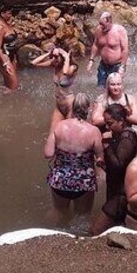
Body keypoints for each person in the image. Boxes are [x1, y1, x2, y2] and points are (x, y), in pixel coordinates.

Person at [44, 93, 103, 224]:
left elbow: (48, 153)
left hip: (60, 179)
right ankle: (78, 241)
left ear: (73, 107)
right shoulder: (94, 131)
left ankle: (53, 235)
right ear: (89, 109)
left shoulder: (59, 126)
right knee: (82, 217)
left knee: (58, 212)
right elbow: (100, 158)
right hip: (83, 182)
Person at [91, 103, 137, 234]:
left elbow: (118, 165)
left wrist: (106, 145)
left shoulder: (127, 137)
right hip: (115, 189)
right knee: (115, 229)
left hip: (121, 194)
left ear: (121, 121)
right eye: (106, 123)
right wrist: (104, 165)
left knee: (96, 231)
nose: (107, 127)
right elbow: (118, 168)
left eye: (110, 123)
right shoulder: (118, 134)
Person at [32, 45, 79, 132]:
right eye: (53, 56)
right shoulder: (55, 64)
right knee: (52, 133)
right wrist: (48, 53)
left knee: (68, 134)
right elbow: (34, 63)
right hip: (59, 106)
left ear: (63, 57)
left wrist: (67, 58)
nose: (54, 58)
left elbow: (65, 72)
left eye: (56, 56)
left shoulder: (73, 67)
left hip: (70, 106)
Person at [86, 11, 129, 87]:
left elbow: (125, 49)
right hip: (103, 65)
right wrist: (91, 61)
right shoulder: (99, 30)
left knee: (115, 90)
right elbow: (95, 45)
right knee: (100, 87)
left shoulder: (120, 30)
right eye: (100, 24)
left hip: (116, 65)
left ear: (109, 21)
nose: (101, 26)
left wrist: (122, 67)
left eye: (103, 24)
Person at [0, 7, 20, 90]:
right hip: (4, 57)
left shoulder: (8, 24)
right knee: (15, 86)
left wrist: (15, 58)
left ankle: (5, 98)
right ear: (2, 14)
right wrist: (5, 63)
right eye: (8, 13)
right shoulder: (0, 27)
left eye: (11, 13)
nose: (10, 15)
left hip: (12, 56)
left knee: (10, 85)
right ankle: (6, 100)